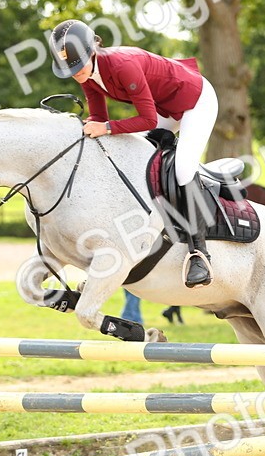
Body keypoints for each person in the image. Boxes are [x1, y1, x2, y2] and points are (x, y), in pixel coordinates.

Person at [51, 19, 218, 288]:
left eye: (77, 65)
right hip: (163, 106)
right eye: (68, 69)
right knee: (131, 156)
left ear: (92, 51)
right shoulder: (86, 74)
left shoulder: (121, 66)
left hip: (195, 101)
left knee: (184, 168)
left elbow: (147, 120)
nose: (75, 74)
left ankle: (199, 253)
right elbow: (98, 116)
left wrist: (105, 128)